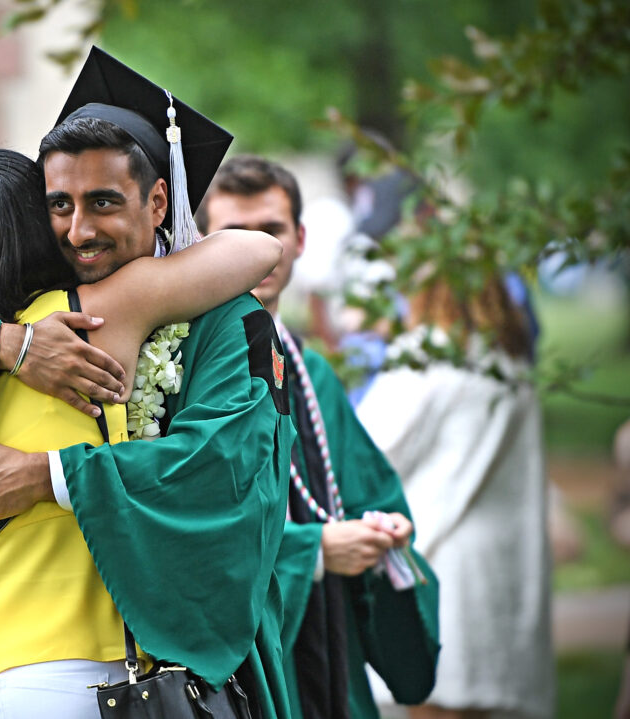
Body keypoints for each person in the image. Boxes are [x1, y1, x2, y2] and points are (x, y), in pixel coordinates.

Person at [0, 47, 296, 718]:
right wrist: (15, 345)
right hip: (54, 672)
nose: (79, 229)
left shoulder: (215, 321)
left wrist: (44, 472)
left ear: (158, 200)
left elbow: (224, 465)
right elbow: (262, 249)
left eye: (103, 202)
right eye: (58, 205)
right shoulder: (46, 310)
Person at [197, 154, 440, 719]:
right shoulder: (186, 367)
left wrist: (385, 530)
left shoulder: (313, 373)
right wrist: (312, 553)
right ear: (201, 242)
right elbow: (186, 533)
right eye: (233, 232)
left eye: (271, 230)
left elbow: (367, 490)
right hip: (238, 665)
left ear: (300, 239)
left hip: (327, 647)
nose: (255, 248)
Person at [355, 276, 554, 719]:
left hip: (442, 556)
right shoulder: (510, 360)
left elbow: (368, 450)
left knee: (438, 698)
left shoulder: (427, 356)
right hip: (503, 564)